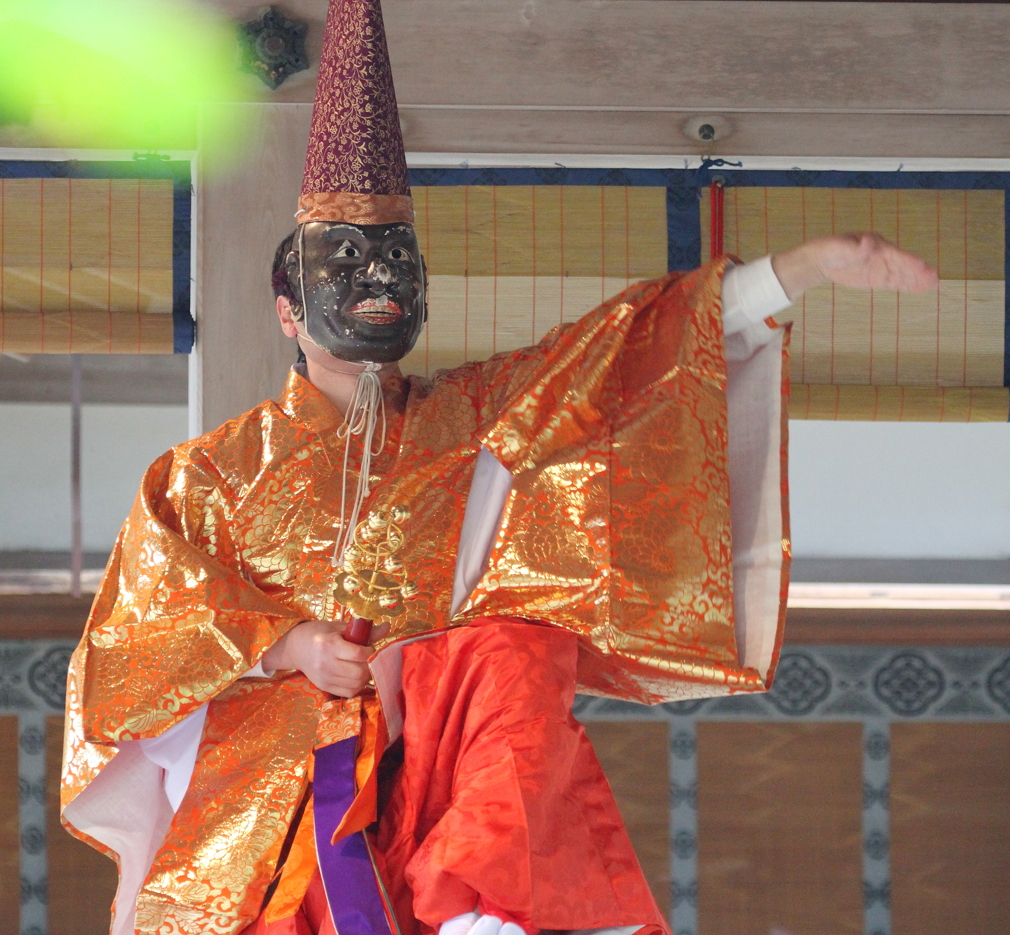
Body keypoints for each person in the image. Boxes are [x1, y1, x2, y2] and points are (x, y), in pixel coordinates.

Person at [61, 1, 937, 933]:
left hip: (450, 770)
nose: (377, 276)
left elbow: (619, 358)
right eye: (346, 258)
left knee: (514, 641)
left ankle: (483, 902)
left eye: (396, 257)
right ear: (288, 310)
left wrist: (799, 267)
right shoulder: (207, 474)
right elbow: (134, 640)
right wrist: (287, 646)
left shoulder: (473, 414)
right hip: (278, 791)